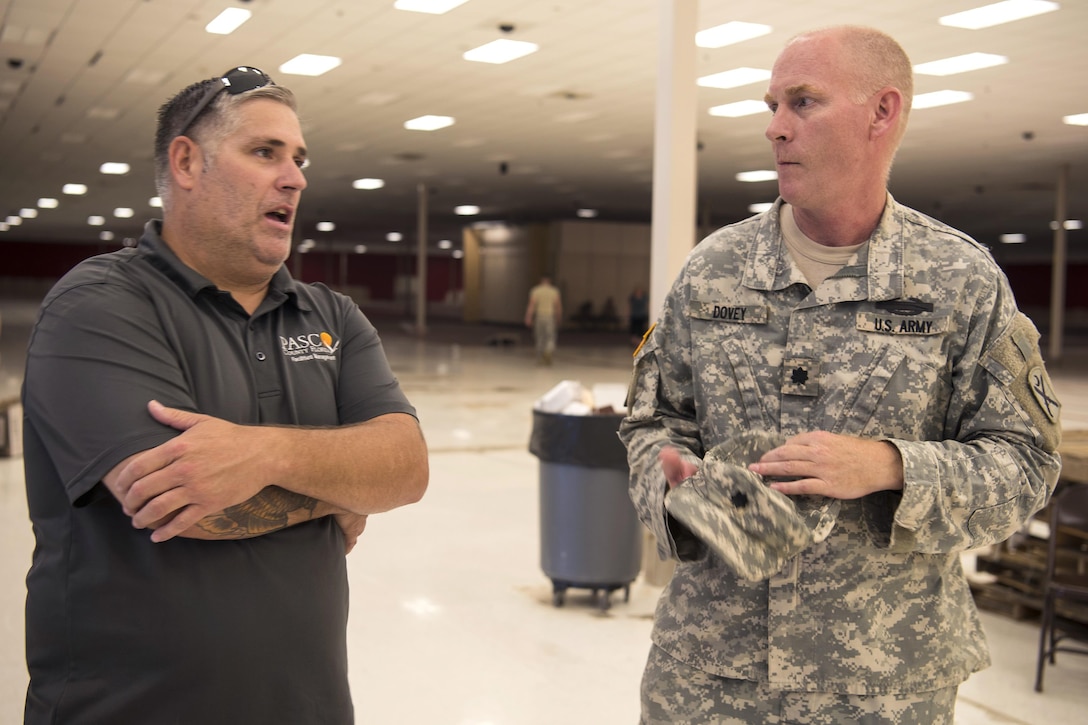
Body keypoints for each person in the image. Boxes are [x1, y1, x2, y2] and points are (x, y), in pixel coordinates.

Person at [619, 26, 1062, 724]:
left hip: (882, 685)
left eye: (803, 102)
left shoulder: (959, 282)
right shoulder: (714, 271)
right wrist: (673, 486)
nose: (775, 128)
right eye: (771, 105)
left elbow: (1027, 461)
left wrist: (890, 466)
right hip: (709, 677)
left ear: (882, 112)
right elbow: (650, 420)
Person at [21, 66, 429, 724]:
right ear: (186, 161)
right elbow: (184, 501)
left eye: (298, 158)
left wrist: (262, 455)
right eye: (264, 152)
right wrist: (340, 489)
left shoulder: (331, 316)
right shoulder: (100, 303)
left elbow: (407, 466)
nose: (293, 177)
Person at [524, 275, 562, 365]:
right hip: (550, 316)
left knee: (539, 336)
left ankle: (540, 356)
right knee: (550, 336)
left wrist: (528, 317)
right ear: (549, 281)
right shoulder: (554, 291)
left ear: (541, 281)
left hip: (539, 316)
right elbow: (558, 306)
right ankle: (548, 352)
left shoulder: (536, 290)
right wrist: (559, 317)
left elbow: (531, 305)